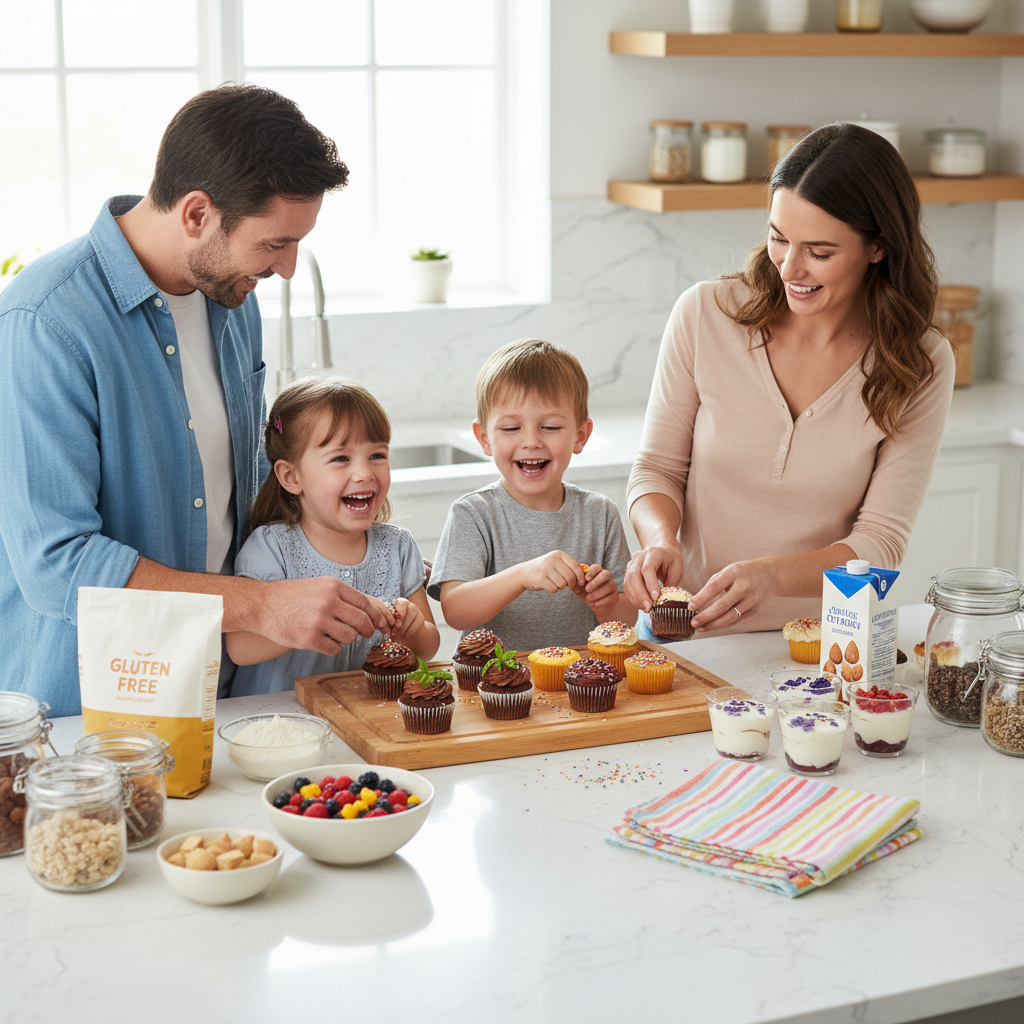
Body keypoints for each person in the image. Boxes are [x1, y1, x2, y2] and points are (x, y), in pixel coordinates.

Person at [0, 84, 388, 717]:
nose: (287, 269)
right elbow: (56, 562)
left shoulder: (234, 301)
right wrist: (262, 605)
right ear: (197, 213)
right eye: (273, 244)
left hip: (221, 690)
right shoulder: (45, 322)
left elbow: (253, 481)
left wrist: (360, 549)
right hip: (87, 710)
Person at [624, 122, 955, 639]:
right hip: (685, 635)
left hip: (827, 645)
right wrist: (660, 539)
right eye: (779, 239)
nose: (790, 268)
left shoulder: (919, 362)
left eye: (820, 252)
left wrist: (772, 576)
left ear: (878, 247)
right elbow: (657, 469)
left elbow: (881, 543)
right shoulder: (705, 314)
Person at [226, 378, 440, 693]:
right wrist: (305, 620)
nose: (365, 473)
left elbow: (428, 647)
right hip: (281, 725)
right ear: (292, 476)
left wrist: (412, 627)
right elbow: (240, 649)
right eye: (341, 458)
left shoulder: (398, 547)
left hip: (365, 721)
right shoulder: (271, 548)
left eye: (377, 455)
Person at [428, 338, 636, 652]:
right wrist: (523, 575)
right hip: (495, 688)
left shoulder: (600, 513)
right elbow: (455, 610)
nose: (531, 441)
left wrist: (606, 604)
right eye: (511, 429)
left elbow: (627, 616)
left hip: (580, 685)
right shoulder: (473, 514)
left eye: (550, 427)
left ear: (580, 436)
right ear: (484, 439)